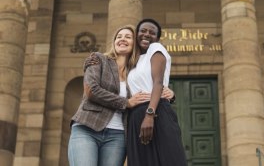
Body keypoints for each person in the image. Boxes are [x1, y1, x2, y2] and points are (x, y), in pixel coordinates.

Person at [68, 25, 151, 166]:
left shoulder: (137, 73)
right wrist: (126, 102)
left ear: (135, 44)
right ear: (114, 42)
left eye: (128, 37)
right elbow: (91, 91)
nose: (122, 39)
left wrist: (169, 93)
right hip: (87, 128)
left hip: (117, 137)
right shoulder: (98, 59)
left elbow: (149, 93)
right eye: (119, 37)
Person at [127, 18, 187, 166]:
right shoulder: (132, 61)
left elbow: (158, 82)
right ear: (136, 34)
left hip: (155, 112)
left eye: (152, 33)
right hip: (135, 117)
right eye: (143, 31)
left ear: (157, 38)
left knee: (169, 160)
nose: (147, 34)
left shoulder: (155, 48)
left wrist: (149, 115)